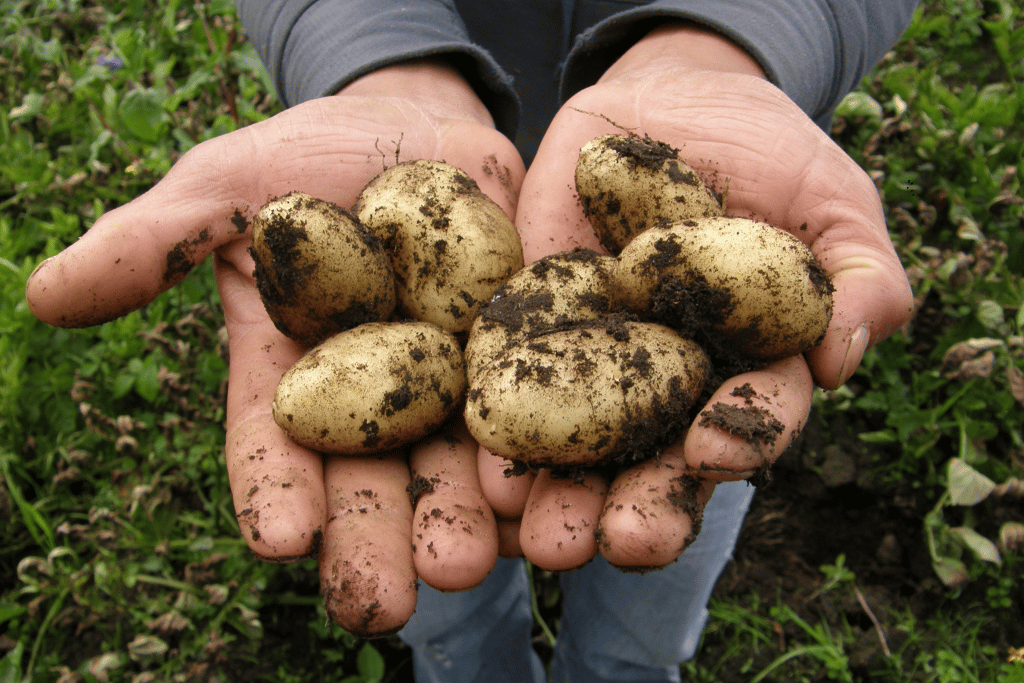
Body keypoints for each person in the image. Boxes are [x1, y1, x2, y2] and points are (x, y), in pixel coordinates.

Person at [26, 1, 920, 681]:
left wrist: (728, 41)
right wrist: (377, 55)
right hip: (430, 157)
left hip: (724, 223)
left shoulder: (650, 280)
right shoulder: (458, 306)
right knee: (443, 588)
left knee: (662, 547)